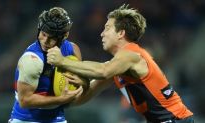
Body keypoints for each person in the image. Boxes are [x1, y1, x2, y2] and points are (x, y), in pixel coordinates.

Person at [47, 4, 194, 123]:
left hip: (177, 119)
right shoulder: (117, 66)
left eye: (107, 28)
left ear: (121, 33)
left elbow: (102, 70)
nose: (102, 33)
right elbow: (88, 93)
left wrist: (62, 61)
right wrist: (60, 100)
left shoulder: (132, 55)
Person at [9, 7, 85, 123]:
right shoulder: (31, 60)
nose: (45, 41)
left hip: (58, 118)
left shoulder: (73, 51)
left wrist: (81, 84)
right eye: (43, 34)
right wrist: (61, 99)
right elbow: (24, 100)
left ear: (65, 35)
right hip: (26, 120)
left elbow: (80, 82)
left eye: (52, 38)